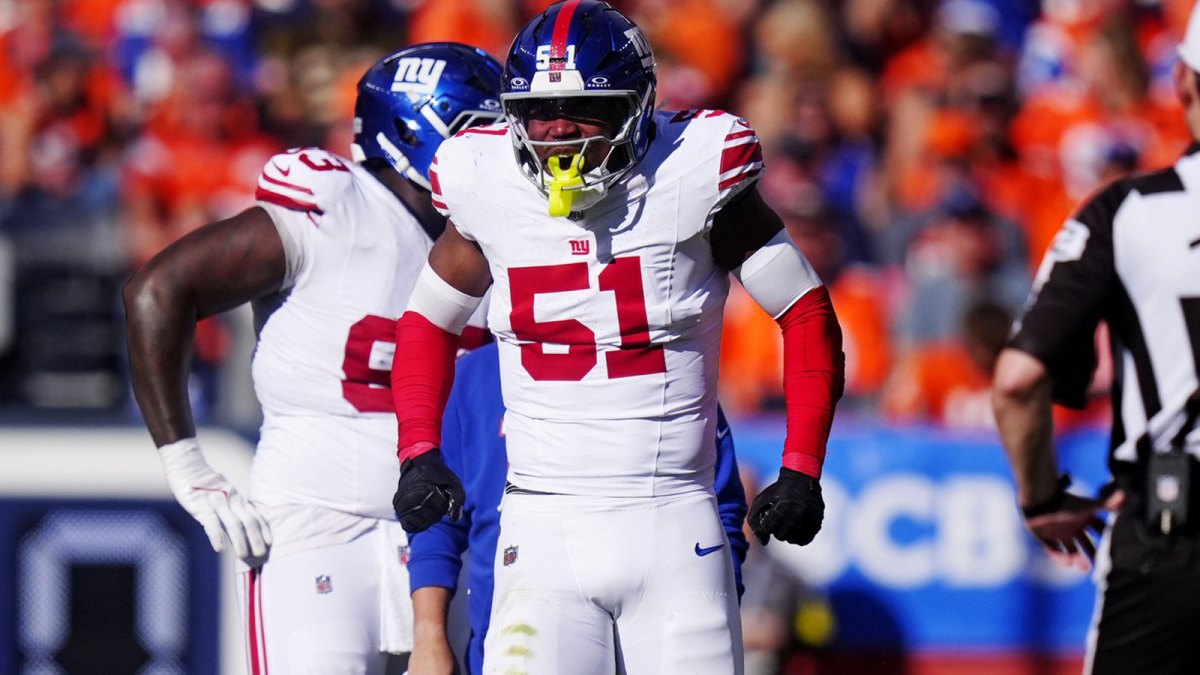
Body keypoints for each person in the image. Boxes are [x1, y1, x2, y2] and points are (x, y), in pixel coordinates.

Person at [389, 2, 845, 673]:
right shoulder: (484, 182)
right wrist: (417, 451)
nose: (558, 133)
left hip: (674, 525)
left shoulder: (692, 171)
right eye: (540, 113)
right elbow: (427, 321)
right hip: (542, 525)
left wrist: (803, 464)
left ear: (635, 109)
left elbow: (805, 311)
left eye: (582, 109)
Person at [123, 43, 503, 674]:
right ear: (417, 127)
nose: (499, 154)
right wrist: (184, 461)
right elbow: (158, 289)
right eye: (480, 132)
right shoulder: (337, 207)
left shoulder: (496, 235)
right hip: (318, 526)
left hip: (447, 537)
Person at [992, 6, 1200, 672]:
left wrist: (1043, 495)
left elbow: (1019, 378)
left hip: (1174, 522)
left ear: (1186, 83)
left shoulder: (1130, 212)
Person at [406, 341, 750, 674]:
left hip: (658, 627)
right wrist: (428, 636)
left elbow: (720, 507)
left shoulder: (661, 358)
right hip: (520, 632)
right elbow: (436, 521)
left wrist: (708, 612)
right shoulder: (474, 376)